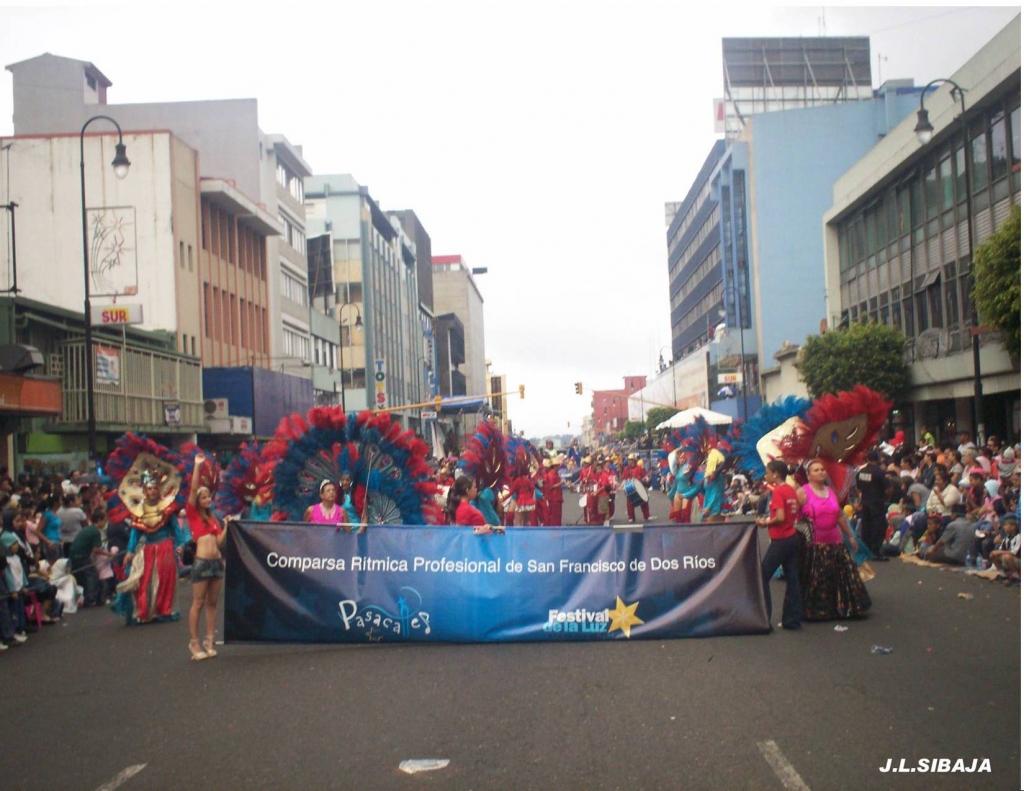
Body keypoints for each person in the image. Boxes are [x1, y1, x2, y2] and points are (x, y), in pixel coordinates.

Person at [796, 459, 872, 621]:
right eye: (816, 470)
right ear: (808, 475)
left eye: (822, 469)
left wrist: (850, 537)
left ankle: (843, 608)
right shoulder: (802, 492)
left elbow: (839, 517)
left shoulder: (831, 491)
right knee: (817, 579)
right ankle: (817, 611)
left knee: (841, 577)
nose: (821, 472)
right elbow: (795, 518)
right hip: (814, 544)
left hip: (835, 541)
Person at [183, 454, 229, 660]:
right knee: (198, 602)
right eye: (204, 497)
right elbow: (193, 490)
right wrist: (197, 467)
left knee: (212, 602)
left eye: (209, 497)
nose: (207, 500)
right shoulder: (193, 515)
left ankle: (209, 639)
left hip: (216, 562)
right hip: (201, 562)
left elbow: (219, 542)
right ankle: (194, 642)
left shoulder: (214, 519)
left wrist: (227, 527)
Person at [757, 460, 803, 631]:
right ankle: (792, 620)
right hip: (792, 537)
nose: (766, 475)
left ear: (775, 474)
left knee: (762, 577)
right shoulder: (790, 490)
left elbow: (781, 517)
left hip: (781, 539)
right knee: (793, 580)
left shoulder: (778, 492)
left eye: (767, 472)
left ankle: (764, 619)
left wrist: (765, 522)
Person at [67, 507, 111, 608]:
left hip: (74, 554)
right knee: (92, 575)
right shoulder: (95, 532)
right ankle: (90, 599)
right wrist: (108, 554)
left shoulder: (87, 529)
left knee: (84, 576)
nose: (105, 523)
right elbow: (96, 549)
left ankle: (87, 597)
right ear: (99, 520)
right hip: (82, 555)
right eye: (104, 520)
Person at [856, 450, 888, 560]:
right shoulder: (879, 472)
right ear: (877, 459)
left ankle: (866, 549)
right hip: (877, 502)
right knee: (878, 526)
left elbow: (859, 486)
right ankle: (876, 551)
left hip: (865, 502)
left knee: (866, 526)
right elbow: (887, 488)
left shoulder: (862, 471)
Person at [988, 515, 1020, 584]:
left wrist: (1000, 552)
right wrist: (995, 552)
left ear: (1013, 527)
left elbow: (1014, 552)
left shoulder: (1019, 537)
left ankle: (1016, 576)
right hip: (1009, 558)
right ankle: (1002, 574)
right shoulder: (1006, 538)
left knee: (1007, 556)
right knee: (993, 554)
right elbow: (1000, 549)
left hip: (1018, 559)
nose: (1004, 527)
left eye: (1006, 525)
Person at [620, 454, 651, 524]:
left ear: (634, 461)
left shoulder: (639, 468)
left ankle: (646, 516)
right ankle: (631, 517)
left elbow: (645, 476)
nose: (629, 462)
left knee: (644, 501)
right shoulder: (626, 469)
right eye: (628, 460)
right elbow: (624, 479)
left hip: (639, 486)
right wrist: (621, 486)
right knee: (629, 503)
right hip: (630, 487)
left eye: (630, 460)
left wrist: (647, 478)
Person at [57, 492, 88, 560]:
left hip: (64, 539)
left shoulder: (59, 510)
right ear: (71, 502)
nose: (78, 502)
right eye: (77, 500)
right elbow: (85, 524)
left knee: (67, 559)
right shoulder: (77, 511)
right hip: (76, 538)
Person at [541, 459, 564, 526]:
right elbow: (550, 487)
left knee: (558, 515)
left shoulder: (556, 474)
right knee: (554, 515)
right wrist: (560, 483)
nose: (559, 467)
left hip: (558, 497)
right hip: (553, 498)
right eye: (558, 466)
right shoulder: (550, 475)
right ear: (554, 466)